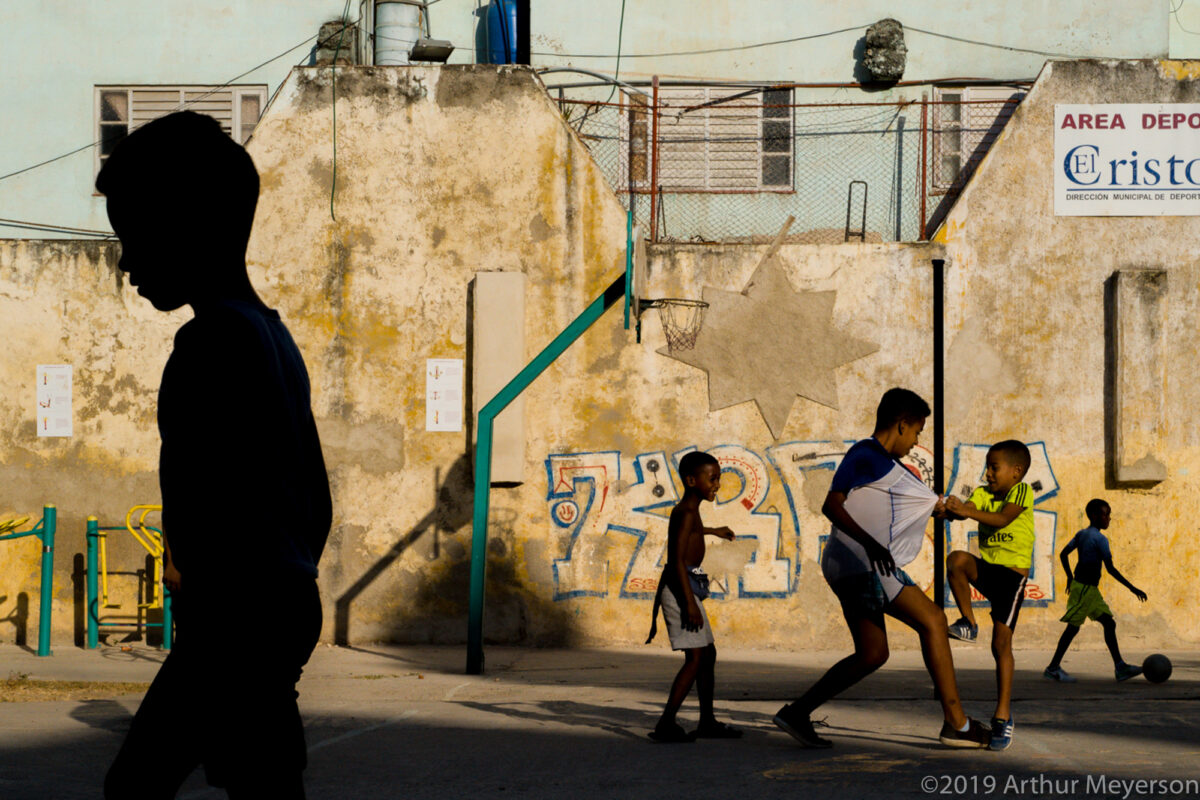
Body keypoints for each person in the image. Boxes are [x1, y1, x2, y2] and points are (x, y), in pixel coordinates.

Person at [99, 111, 332, 799]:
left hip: (238, 615)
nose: (126, 260)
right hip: (279, 603)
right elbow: (316, 498)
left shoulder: (208, 345)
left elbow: (202, 501)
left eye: (134, 236)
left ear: (188, 227)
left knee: (135, 786)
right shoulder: (272, 337)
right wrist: (286, 581)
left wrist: (207, 592)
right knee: (260, 782)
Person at [774, 388, 991, 750]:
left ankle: (797, 713)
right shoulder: (865, 454)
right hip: (864, 563)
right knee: (934, 620)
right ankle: (957, 724)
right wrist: (870, 543)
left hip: (851, 565)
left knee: (872, 654)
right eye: (918, 431)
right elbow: (832, 504)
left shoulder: (890, 468)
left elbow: (908, 500)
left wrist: (944, 508)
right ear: (902, 424)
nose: (916, 440)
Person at [943, 440, 1035, 751]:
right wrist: (950, 509)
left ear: (1016, 471)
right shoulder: (981, 494)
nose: (988, 473)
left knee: (1001, 646)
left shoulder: (1021, 491)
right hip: (988, 571)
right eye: (988, 466)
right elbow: (962, 513)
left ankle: (1003, 715)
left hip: (1012, 579)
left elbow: (1002, 519)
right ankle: (968, 622)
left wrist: (966, 510)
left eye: (995, 467)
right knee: (957, 560)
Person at [645, 451, 740, 742]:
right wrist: (688, 604)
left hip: (685, 586)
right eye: (712, 479)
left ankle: (707, 721)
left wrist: (714, 531)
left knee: (706, 654)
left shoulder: (691, 510)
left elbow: (691, 533)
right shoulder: (685, 512)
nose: (717, 484)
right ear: (691, 480)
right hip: (679, 589)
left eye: (718, 478)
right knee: (696, 657)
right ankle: (666, 724)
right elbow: (675, 560)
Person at [1044, 499, 1147, 683]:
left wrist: (1068, 576)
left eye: (1109, 514)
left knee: (1109, 623)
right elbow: (1111, 569)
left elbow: (1063, 554)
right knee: (1072, 629)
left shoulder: (1082, 534)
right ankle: (1052, 668)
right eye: (1105, 514)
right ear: (1094, 516)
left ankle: (1120, 667)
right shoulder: (1100, 539)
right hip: (1084, 589)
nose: (1108, 518)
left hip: (1089, 590)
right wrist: (1133, 588)